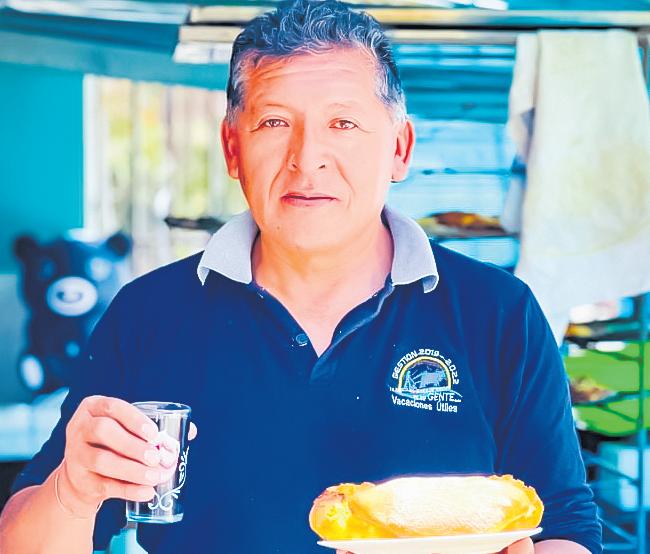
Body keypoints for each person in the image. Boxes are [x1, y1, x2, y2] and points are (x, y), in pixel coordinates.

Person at [0, 1, 601, 553]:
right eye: (274, 123)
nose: (307, 157)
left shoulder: (498, 312)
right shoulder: (149, 314)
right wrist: (72, 492)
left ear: (400, 147)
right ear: (231, 148)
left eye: (343, 124)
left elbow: (566, 527)